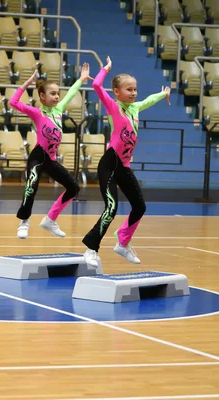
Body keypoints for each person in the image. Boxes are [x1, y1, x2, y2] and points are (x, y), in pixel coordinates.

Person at [82, 56, 170, 267]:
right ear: (117, 92)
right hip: (110, 164)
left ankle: (123, 242)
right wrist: (106, 69)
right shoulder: (113, 107)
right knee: (111, 207)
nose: (133, 93)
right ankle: (91, 249)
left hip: (124, 166)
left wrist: (163, 94)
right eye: (129, 90)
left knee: (139, 207)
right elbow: (96, 85)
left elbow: (147, 100)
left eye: (135, 89)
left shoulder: (135, 108)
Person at [9, 63, 92, 239]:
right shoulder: (37, 113)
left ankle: (50, 219)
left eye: (57, 94)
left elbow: (70, 93)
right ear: (42, 96)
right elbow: (13, 102)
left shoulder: (59, 109)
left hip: (51, 160)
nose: (56, 97)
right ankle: (24, 221)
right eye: (52, 93)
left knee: (74, 187)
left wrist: (81, 79)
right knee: (32, 185)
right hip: (38, 156)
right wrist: (26, 84)